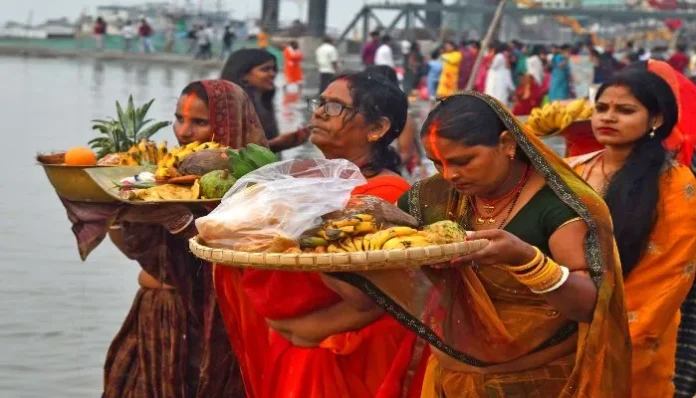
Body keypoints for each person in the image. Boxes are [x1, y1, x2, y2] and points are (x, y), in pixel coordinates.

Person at [330, 91, 631, 396]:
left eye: (463, 161)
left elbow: (590, 306)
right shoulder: (429, 198)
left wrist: (526, 260)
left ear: (506, 144)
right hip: (449, 381)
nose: (450, 175)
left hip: (539, 383)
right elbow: (374, 282)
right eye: (437, 164)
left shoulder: (557, 206)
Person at [214, 71, 427, 398]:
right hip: (299, 346)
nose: (319, 112)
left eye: (337, 107)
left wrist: (302, 330)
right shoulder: (312, 183)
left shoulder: (385, 192)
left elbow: (366, 296)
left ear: (377, 128)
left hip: (344, 355)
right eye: (321, 102)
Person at [60, 80, 268, 398]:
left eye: (199, 122)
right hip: (158, 313)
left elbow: (240, 259)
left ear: (230, 125)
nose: (184, 131)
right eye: (179, 118)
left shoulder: (257, 188)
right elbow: (138, 253)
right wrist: (115, 215)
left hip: (218, 325)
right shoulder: (163, 173)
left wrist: (181, 220)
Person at [567, 66, 696, 397]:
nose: (608, 118)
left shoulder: (676, 185)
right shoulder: (571, 170)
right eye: (602, 108)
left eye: (625, 110)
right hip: (558, 333)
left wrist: (608, 334)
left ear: (655, 120)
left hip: (630, 340)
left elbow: (667, 275)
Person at [222, 49, 310, 153]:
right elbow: (228, 153)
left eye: (273, 69)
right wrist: (276, 144)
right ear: (243, 76)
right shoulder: (230, 106)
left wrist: (283, 142)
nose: (272, 74)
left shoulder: (261, 103)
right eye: (265, 69)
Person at [485, 43, 515, 108]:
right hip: (501, 77)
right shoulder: (504, 55)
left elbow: (494, 66)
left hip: (497, 78)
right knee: (500, 93)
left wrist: (488, 65)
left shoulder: (499, 56)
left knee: (495, 92)